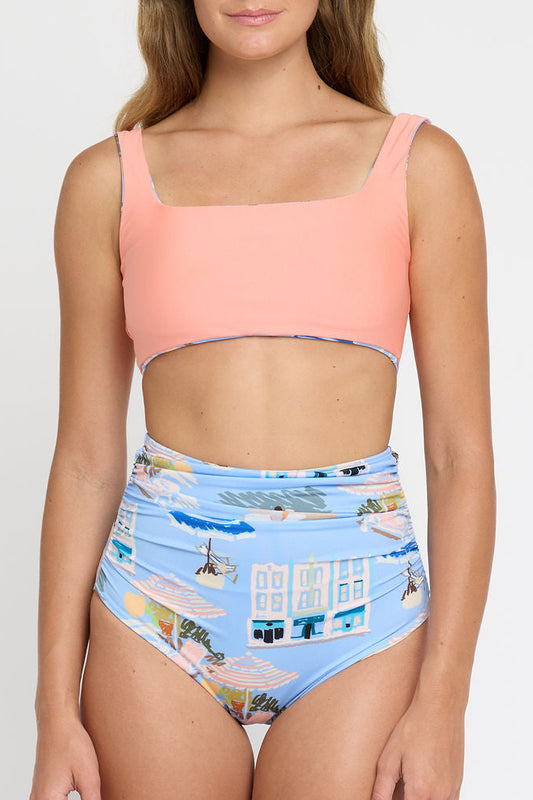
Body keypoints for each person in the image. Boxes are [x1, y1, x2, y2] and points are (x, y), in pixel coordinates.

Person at [30, 2, 496, 799]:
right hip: (155, 614)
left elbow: (459, 454)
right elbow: (84, 460)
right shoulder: (108, 180)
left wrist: (444, 699)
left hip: (364, 623)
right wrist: (51, 710)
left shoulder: (418, 166)